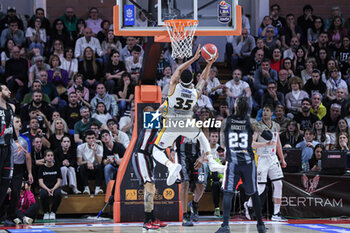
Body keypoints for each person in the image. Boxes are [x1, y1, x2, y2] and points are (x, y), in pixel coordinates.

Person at [152, 46, 224, 187]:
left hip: (172, 125)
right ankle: (211, 159)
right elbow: (203, 78)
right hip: (186, 125)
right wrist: (208, 63)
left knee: (156, 150)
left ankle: (170, 165)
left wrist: (194, 58)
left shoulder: (173, 87)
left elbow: (178, 70)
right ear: (191, 81)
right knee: (202, 136)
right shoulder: (194, 93)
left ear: (179, 80)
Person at [215, 97, 266, 233]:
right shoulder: (252, 121)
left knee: (228, 192)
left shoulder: (227, 121)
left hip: (233, 163)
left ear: (236, 107)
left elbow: (222, 144)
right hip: (248, 163)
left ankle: (225, 225)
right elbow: (268, 135)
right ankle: (260, 225)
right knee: (254, 192)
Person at [245, 103, 287, 222]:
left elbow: (277, 143)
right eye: (263, 110)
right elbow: (252, 144)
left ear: (272, 113)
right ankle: (248, 204)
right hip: (261, 157)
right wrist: (265, 144)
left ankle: (276, 213)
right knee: (261, 187)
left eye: (267, 110)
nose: (265, 112)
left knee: (279, 184)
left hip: (273, 158)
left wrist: (282, 159)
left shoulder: (276, 126)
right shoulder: (257, 126)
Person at [174, 136, 206, 226]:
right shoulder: (178, 122)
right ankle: (185, 215)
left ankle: (194, 204)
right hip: (181, 155)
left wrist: (203, 156)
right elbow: (171, 134)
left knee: (200, 185)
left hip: (197, 155)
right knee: (184, 183)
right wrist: (172, 151)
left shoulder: (199, 121)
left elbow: (205, 137)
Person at [0, 85, 16, 220]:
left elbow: (13, 128)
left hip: (8, 149)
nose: (9, 91)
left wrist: (15, 141)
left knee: (5, 182)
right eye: (6, 89)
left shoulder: (12, 108)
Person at [77, 130, 104, 195]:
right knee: (81, 167)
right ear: (86, 139)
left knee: (99, 166)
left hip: (95, 168)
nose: (91, 140)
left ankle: (97, 189)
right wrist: (87, 162)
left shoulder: (99, 147)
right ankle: (86, 189)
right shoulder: (80, 147)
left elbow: (99, 162)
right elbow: (79, 162)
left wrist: (94, 151)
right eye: (89, 138)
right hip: (86, 168)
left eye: (92, 138)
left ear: (95, 138)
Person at [38, 149, 62, 220]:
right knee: (43, 194)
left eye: (51, 155)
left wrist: (53, 189)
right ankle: (46, 212)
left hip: (55, 187)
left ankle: (53, 212)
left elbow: (59, 181)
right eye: (48, 155)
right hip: (45, 187)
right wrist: (48, 189)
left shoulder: (57, 167)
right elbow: (40, 182)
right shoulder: (41, 168)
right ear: (45, 157)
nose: (50, 157)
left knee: (58, 193)